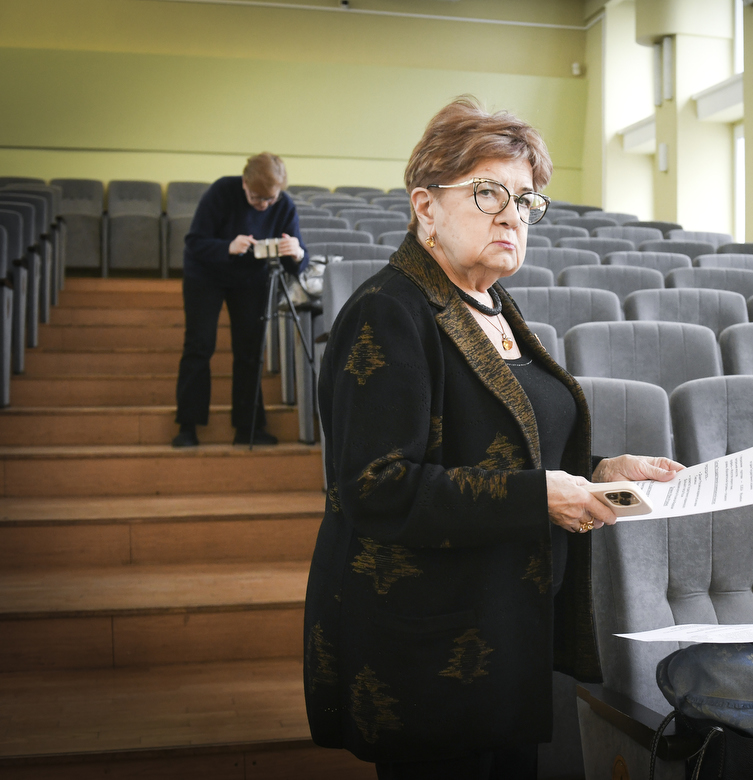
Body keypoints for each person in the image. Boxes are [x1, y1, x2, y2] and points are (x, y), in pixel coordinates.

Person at [303, 97, 683, 779]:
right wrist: (541, 497)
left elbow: (497, 452)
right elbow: (377, 487)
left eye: (526, 200)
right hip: (432, 647)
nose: (513, 214)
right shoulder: (389, 312)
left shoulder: (492, 305)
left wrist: (600, 471)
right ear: (426, 207)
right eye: (488, 193)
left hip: (506, 629)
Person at [172, 152, 306, 447]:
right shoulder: (222, 191)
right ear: (244, 183)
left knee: (250, 350)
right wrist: (227, 247)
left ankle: (249, 427)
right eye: (257, 198)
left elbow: (296, 262)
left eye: (270, 199)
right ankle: (187, 426)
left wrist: (297, 253)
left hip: (250, 279)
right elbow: (194, 242)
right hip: (205, 274)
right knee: (199, 345)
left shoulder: (283, 204)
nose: (264, 205)